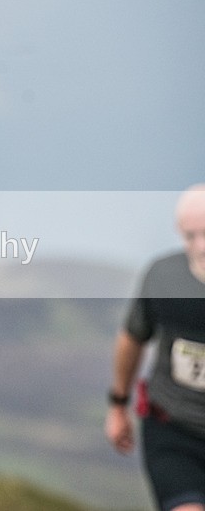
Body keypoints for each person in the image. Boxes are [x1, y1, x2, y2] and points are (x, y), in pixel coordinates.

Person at [105, 184, 205, 511]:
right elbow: (132, 337)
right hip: (173, 429)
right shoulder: (163, 276)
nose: (201, 246)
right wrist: (118, 404)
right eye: (190, 236)